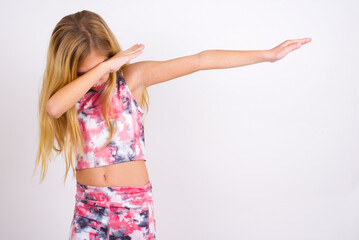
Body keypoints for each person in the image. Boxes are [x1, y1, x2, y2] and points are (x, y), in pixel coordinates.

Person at [33, 9, 311, 240]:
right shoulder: (72, 95)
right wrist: (104, 67)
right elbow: (53, 108)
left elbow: (200, 60)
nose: (99, 78)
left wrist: (267, 55)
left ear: (111, 55)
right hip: (88, 210)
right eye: (89, 71)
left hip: (133, 208)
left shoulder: (131, 78)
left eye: (104, 65)